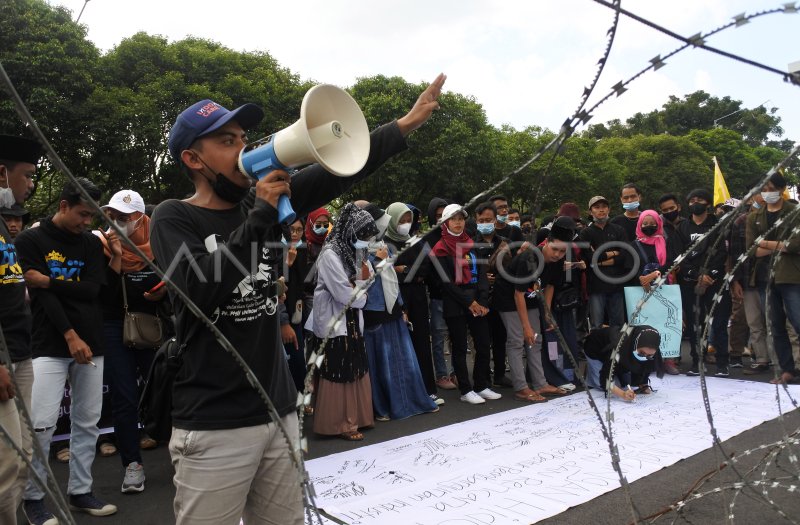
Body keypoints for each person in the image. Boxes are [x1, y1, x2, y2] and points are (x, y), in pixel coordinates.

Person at [149, 74, 445, 523]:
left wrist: (405, 123)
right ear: (193, 158)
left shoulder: (260, 202)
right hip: (214, 421)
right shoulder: (174, 216)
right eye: (227, 141)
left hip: (279, 410)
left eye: (245, 138)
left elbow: (342, 169)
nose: (243, 149)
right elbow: (196, 290)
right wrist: (261, 215)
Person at [16, 177, 118, 520]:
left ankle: (80, 491)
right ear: (63, 206)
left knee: (87, 421)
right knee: (42, 424)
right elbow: (42, 297)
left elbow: (91, 290)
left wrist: (50, 280)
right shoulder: (31, 240)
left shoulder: (90, 242)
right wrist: (70, 334)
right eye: (83, 214)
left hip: (92, 339)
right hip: (49, 341)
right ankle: (34, 498)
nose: (88, 222)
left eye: (91, 216)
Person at [96, 189, 167, 494]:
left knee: (164, 390)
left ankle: (181, 452)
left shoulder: (162, 242)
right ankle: (132, 466)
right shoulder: (99, 243)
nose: (117, 222)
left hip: (153, 325)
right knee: (125, 397)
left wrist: (165, 293)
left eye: (124, 218)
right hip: (114, 327)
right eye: (113, 216)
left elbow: (177, 281)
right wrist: (114, 256)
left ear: (140, 219)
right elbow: (102, 296)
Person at [360, 204, 439, 421]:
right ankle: (384, 406)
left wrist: (401, 306)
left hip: (393, 307)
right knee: (381, 362)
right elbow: (361, 281)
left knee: (402, 359)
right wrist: (380, 261)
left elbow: (393, 279)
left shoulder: (383, 246)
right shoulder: (359, 249)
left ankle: (413, 401)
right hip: (374, 310)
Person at [307, 203, 377, 439]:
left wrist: (359, 286)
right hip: (336, 319)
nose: (366, 241)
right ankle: (340, 424)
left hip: (352, 321)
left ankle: (359, 418)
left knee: (355, 363)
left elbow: (368, 277)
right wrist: (361, 290)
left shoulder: (355, 251)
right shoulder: (330, 254)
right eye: (363, 236)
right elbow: (345, 296)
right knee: (338, 366)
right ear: (351, 232)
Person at [0, 135, 40, 525]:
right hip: (2, 360)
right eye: (26, 175)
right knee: (5, 464)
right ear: (1, 173)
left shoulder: (2, 224)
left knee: (24, 456)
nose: (30, 184)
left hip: (21, 353)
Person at [493, 216, 577, 402]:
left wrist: (546, 314)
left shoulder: (557, 263)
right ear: (546, 242)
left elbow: (550, 286)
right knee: (517, 340)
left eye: (562, 252)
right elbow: (518, 294)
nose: (557, 255)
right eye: (554, 249)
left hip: (531, 298)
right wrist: (526, 326)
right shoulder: (528, 258)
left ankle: (540, 383)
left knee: (536, 340)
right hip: (509, 298)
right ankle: (521, 387)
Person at [430, 204, 501, 404]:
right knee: (460, 347)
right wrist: (469, 302)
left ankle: (481, 385)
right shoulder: (440, 248)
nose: (458, 222)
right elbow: (446, 283)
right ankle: (466, 389)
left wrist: (483, 300)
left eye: (461, 218)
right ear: (446, 222)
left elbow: (482, 276)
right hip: (456, 303)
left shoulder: (471, 242)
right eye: (453, 219)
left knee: (483, 344)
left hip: (477, 301)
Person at [384, 202, 441, 404]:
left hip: (417, 296)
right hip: (395, 296)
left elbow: (425, 268)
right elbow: (387, 271)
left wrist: (403, 270)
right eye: (402, 220)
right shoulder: (384, 242)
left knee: (421, 340)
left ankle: (427, 388)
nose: (406, 224)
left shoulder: (416, 241)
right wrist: (405, 271)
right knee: (400, 343)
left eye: (409, 220)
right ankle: (405, 391)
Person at [747, 173, 800, 384]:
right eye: (763, 189)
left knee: (797, 323)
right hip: (765, 278)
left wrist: (765, 243)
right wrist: (781, 245)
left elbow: (796, 245)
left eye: (770, 188)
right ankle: (786, 370)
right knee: (775, 327)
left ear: (781, 188)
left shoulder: (794, 212)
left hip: (792, 276)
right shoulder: (754, 217)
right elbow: (752, 250)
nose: (766, 193)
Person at [676, 188, 729, 376]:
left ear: (708, 203)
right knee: (694, 323)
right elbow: (680, 255)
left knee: (719, 321)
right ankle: (697, 361)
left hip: (715, 280)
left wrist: (710, 275)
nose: (695, 203)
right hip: (690, 282)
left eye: (699, 200)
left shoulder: (718, 224)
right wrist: (696, 274)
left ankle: (723, 363)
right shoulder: (682, 227)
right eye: (691, 200)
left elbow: (723, 252)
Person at [579, 195, 628, 390]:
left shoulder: (618, 229)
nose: (601, 210)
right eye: (596, 208)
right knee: (597, 329)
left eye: (604, 207)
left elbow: (625, 254)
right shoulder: (585, 233)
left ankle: (618, 371)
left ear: (608, 209)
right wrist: (612, 253)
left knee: (618, 328)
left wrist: (602, 256)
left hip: (616, 286)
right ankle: (596, 374)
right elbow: (588, 258)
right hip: (596, 287)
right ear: (590, 211)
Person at [627, 210, 680, 375]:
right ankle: (645, 362)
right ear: (639, 224)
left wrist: (656, 274)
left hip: (663, 287)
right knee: (645, 324)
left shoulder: (665, 242)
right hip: (640, 290)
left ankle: (668, 360)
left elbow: (671, 262)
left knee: (665, 323)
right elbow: (630, 266)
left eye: (652, 224)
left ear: (659, 224)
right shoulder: (633, 245)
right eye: (645, 223)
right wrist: (641, 278)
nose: (649, 226)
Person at [473, 201, 512, 388]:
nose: (485, 223)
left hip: (501, 297)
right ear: (476, 220)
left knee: (500, 338)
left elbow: (512, 269)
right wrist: (483, 278)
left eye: (488, 219)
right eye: (481, 220)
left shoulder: (505, 243)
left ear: (495, 220)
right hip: (480, 298)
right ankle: (483, 377)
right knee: (481, 341)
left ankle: (499, 374)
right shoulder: (471, 243)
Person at [583, 325, 665, 401]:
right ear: (635, 344)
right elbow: (605, 379)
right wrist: (622, 394)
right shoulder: (619, 345)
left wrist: (642, 384)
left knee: (627, 382)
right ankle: (590, 371)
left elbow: (647, 365)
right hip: (595, 349)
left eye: (649, 355)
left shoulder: (651, 348)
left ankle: (620, 369)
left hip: (621, 355)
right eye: (641, 353)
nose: (645, 356)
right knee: (607, 385)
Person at [425, 197, 456, 391]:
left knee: (456, 335)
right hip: (438, 295)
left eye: (445, 216)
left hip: (457, 295)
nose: (441, 220)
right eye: (437, 216)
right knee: (438, 336)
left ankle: (456, 372)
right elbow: (428, 269)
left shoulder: (457, 235)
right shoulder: (428, 238)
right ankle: (442, 374)